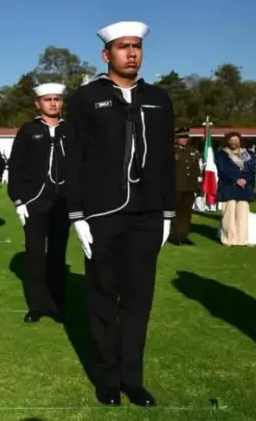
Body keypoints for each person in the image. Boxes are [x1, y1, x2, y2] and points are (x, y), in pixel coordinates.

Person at [64, 21, 175, 407]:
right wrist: (78, 216)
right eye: (124, 47)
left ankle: (133, 379)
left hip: (147, 213)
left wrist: (168, 213)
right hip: (102, 213)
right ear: (105, 54)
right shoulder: (84, 98)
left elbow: (165, 158)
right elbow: (72, 159)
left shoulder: (159, 98)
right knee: (102, 296)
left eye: (137, 46)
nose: (132, 53)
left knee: (139, 299)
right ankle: (107, 377)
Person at [7, 83, 71, 323]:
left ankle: (57, 303)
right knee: (34, 254)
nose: (53, 103)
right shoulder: (28, 130)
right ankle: (37, 305)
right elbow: (16, 166)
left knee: (58, 253)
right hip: (35, 201)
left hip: (63, 202)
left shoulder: (71, 129)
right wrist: (19, 200)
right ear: (38, 103)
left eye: (57, 99)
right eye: (48, 99)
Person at [215, 132, 256, 246]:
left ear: (240, 141)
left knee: (243, 214)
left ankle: (242, 240)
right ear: (227, 141)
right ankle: (229, 239)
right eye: (231, 140)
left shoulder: (246, 154)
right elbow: (222, 170)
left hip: (244, 188)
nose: (234, 142)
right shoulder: (222, 154)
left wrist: (245, 180)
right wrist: (236, 180)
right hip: (229, 186)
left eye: (236, 140)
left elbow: (251, 170)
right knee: (229, 214)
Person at [171, 127, 200, 244]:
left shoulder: (192, 151)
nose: (184, 140)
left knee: (186, 213)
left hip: (189, 187)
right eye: (181, 137)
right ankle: (175, 236)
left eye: (185, 138)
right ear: (176, 139)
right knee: (176, 212)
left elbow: (196, 170)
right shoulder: (171, 151)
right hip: (176, 186)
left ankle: (184, 235)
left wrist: (197, 185)